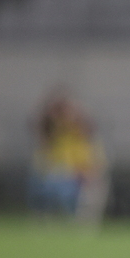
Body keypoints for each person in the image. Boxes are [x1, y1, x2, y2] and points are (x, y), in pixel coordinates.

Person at [28, 88, 109, 223]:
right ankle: (50, 216)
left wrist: (82, 173)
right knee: (47, 185)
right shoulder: (51, 139)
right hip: (57, 178)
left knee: (73, 189)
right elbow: (42, 165)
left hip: (79, 181)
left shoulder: (87, 140)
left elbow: (97, 165)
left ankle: (73, 217)